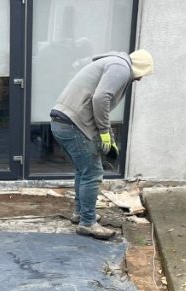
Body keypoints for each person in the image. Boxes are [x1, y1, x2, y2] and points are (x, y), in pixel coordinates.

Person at [50, 49, 154, 240]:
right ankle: (87, 223)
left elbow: (98, 102)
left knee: (83, 171)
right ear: (139, 68)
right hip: (73, 124)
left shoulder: (113, 63)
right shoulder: (122, 67)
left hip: (63, 122)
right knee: (92, 173)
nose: (140, 79)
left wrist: (108, 137)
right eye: (143, 74)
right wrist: (105, 132)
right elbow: (100, 98)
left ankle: (81, 213)